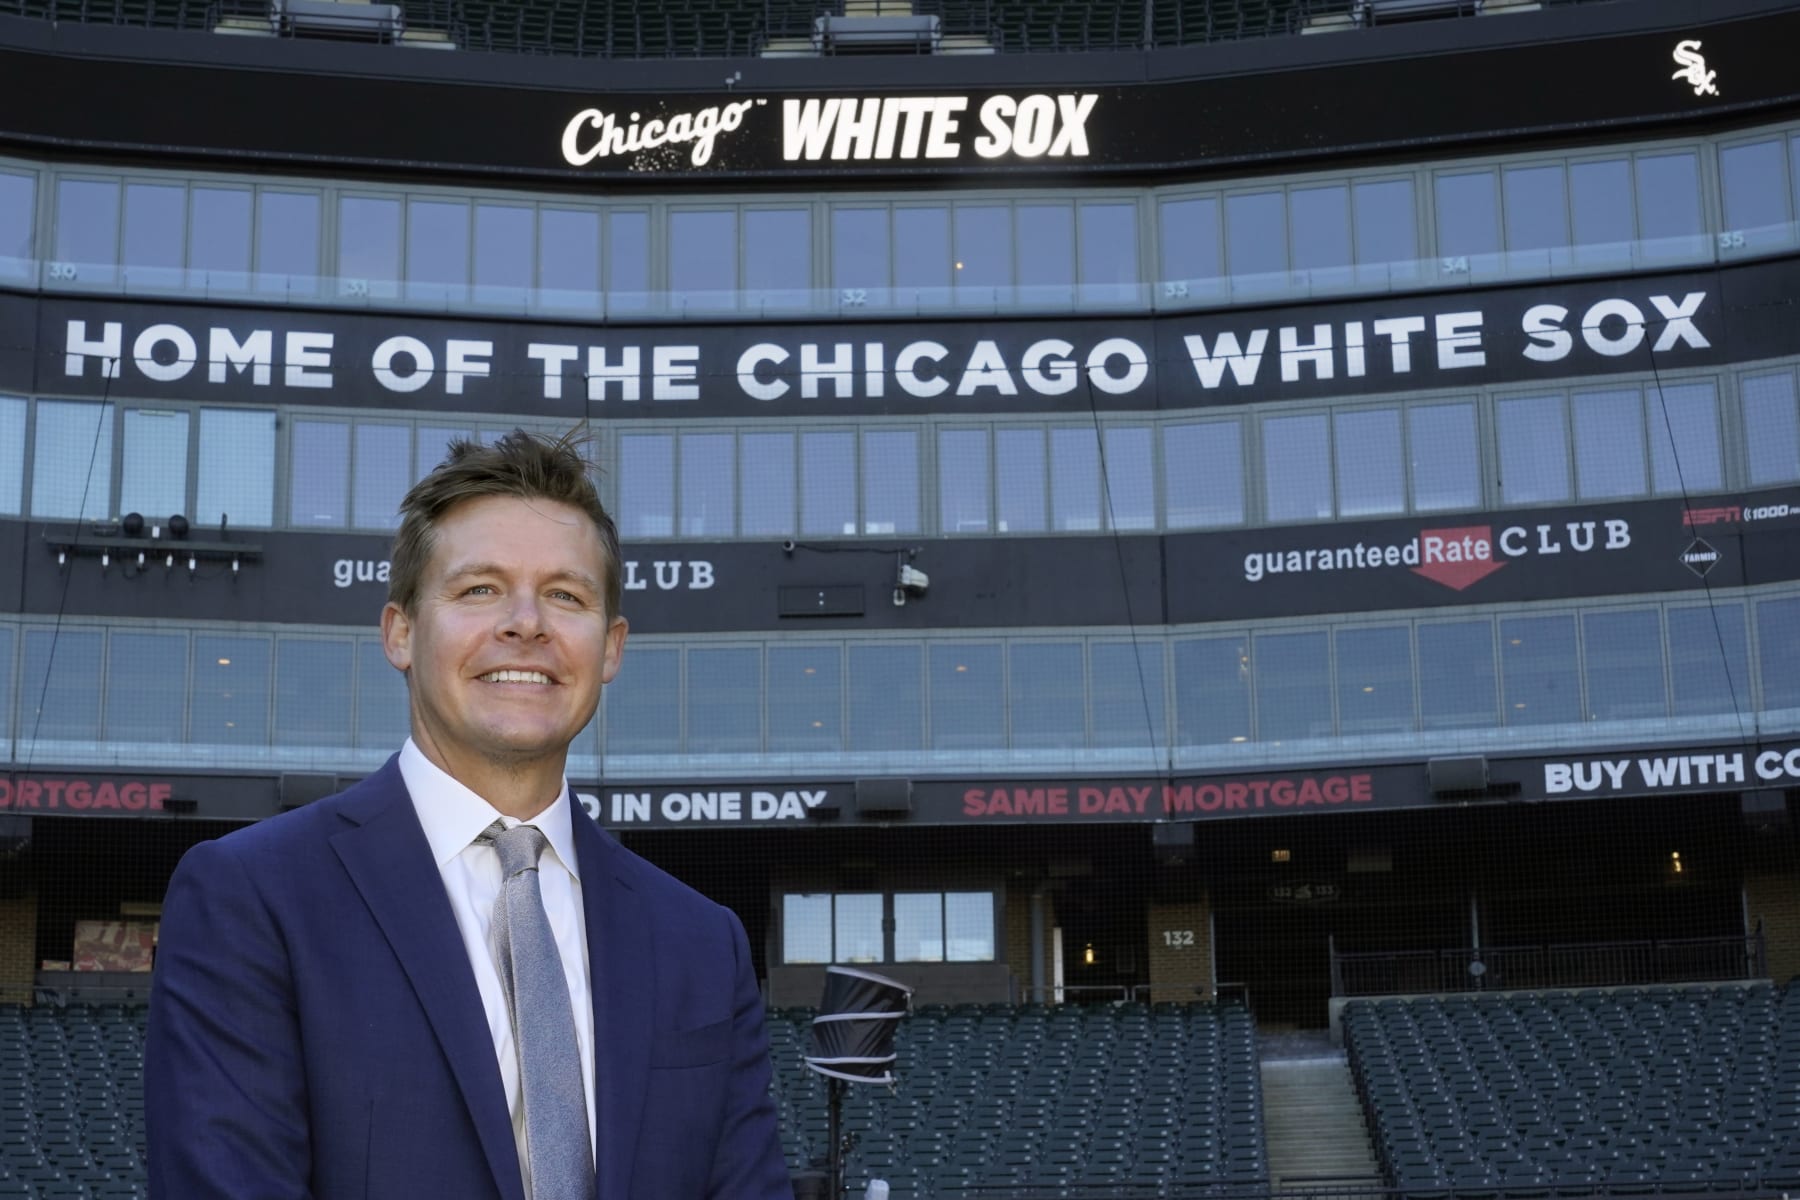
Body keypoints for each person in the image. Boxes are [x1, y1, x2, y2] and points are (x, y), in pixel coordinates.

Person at [145, 430, 794, 1200]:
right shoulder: (252, 898)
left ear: (611, 648)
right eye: (480, 588)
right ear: (401, 633)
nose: (527, 623)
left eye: (567, 595)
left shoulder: (699, 942)